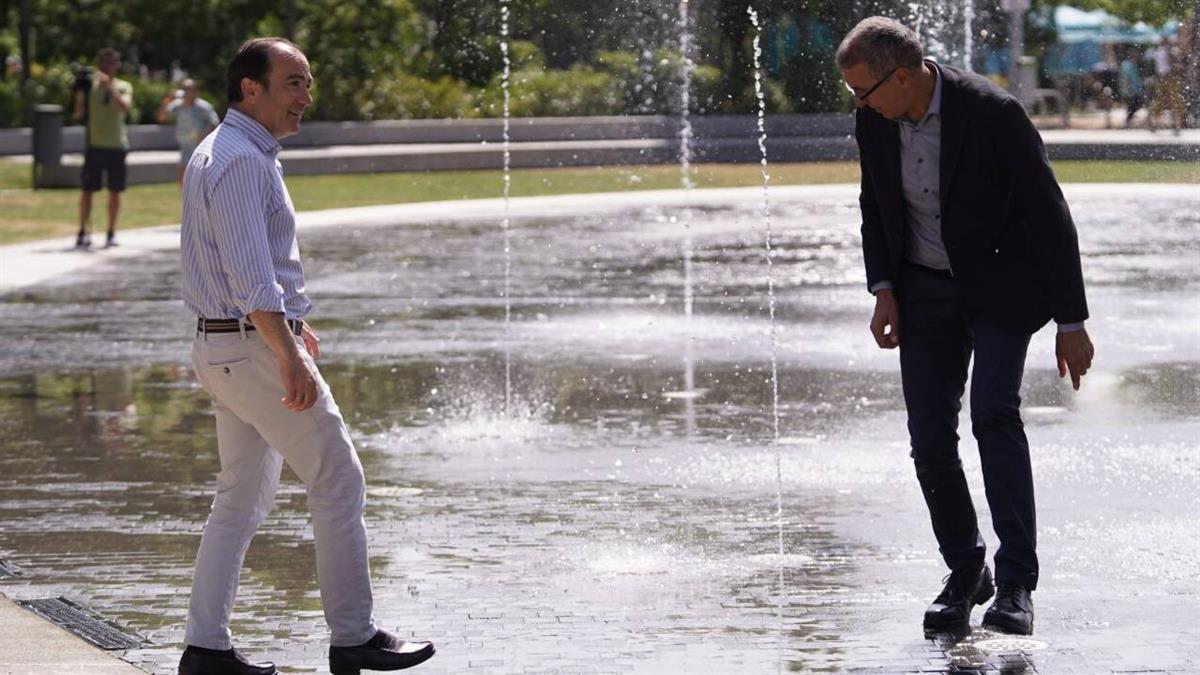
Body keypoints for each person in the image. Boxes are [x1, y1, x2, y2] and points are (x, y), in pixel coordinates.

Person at [177, 37, 436, 675]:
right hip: (252, 349)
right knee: (338, 477)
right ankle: (354, 636)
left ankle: (205, 649)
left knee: (239, 498)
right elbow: (249, 276)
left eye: (307, 83)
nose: (306, 97)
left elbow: (245, 268)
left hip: (225, 345)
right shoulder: (241, 160)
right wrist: (286, 350)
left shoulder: (223, 149)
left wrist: (294, 326)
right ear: (251, 89)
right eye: (293, 82)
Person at [836, 17, 1094, 637]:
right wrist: (884, 288)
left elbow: (1048, 211)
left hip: (1002, 287)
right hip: (924, 288)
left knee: (994, 415)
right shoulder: (875, 117)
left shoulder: (992, 113)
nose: (858, 103)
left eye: (863, 90)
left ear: (902, 78)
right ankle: (965, 569)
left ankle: (1016, 583)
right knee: (929, 438)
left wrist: (1072, 320)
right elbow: (875, 203)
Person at [72, 48, 132, 249]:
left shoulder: (123, 86)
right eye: (103, 63)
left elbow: (124, 107)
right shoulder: (90, 87)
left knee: (115, 191)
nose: (107, 67)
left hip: (116, 145)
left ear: (117, 66)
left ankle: (111, 232)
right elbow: (77, 114)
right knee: (87, 191)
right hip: (94, 145)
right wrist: (78, 92)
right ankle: (83, 231)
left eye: (111, 63)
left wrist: (110, 88)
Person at [157, 79, 220, 185]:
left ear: (196, 91)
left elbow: (215, 124)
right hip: (185, 147)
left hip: (201, 148)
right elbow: (162, 118)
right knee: (181, 177)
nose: (186, 92)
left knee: (200, 180)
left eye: (189, 89)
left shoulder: (203, 107)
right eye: (184, 89)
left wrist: (205, 136)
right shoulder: (178, 105)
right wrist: (167, 101)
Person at [1118, 50, 1145, 128]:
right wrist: (1127, 89)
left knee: (1133, 105)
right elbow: (1126, 78)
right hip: (1131, 90)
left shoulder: (1132, 65)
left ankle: (1129, 119)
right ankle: (1128, 119)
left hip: (1134, 89)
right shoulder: (1128, 65)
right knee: (1134, 104)